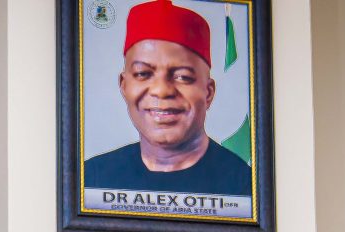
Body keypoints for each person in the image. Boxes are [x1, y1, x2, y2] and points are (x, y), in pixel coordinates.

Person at [84, 0, 251, 197]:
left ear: (208, 92)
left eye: (183, 77)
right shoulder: (91, 178)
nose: (162, 90)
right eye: (143, 73)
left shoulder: (245, 185)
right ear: (124, 85)